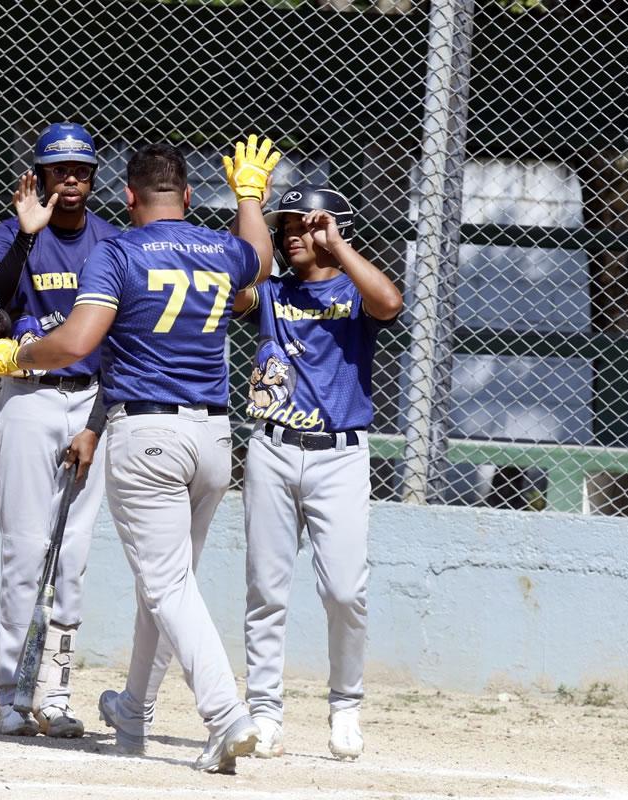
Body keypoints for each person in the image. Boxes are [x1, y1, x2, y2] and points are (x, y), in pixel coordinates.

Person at [0, 137, 279, 774]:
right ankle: (134, 711)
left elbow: (78, 341)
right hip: (214, 438)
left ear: (127, 194)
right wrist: (251, 196)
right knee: (168, 584)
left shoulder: (118, 249)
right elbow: (258, 258)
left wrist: (20, 356)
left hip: (147, 434)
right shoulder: (219, 246)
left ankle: (227, 713)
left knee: (166, 584)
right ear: (190, 195)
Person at [234, 185, 403, 760]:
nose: (295, 235)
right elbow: (237, 287)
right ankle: (264, 711)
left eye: (307, 225)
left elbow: (390, 304)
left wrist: (339, 244)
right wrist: (251, 205)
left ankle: (345, 705)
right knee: (266, 589)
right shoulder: (273, 292)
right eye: (288, 228)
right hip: (273, 448)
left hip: (340, 455)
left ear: (334, 228)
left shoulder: (353, 291)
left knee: (344, 590)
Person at [0, 122, 119, 738]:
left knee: (74, 558)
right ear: (38, 175)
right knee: (25, 551)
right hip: (29, 398)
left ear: (92, 178)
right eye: (58, 170)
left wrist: (95, 421)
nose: (69, 181)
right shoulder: (13, 233)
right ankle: (11, 691)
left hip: (88, 401)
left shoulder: (112, 244)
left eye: (80, 170)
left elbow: (122, 344)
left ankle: (55, 696)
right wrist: (25, 242)